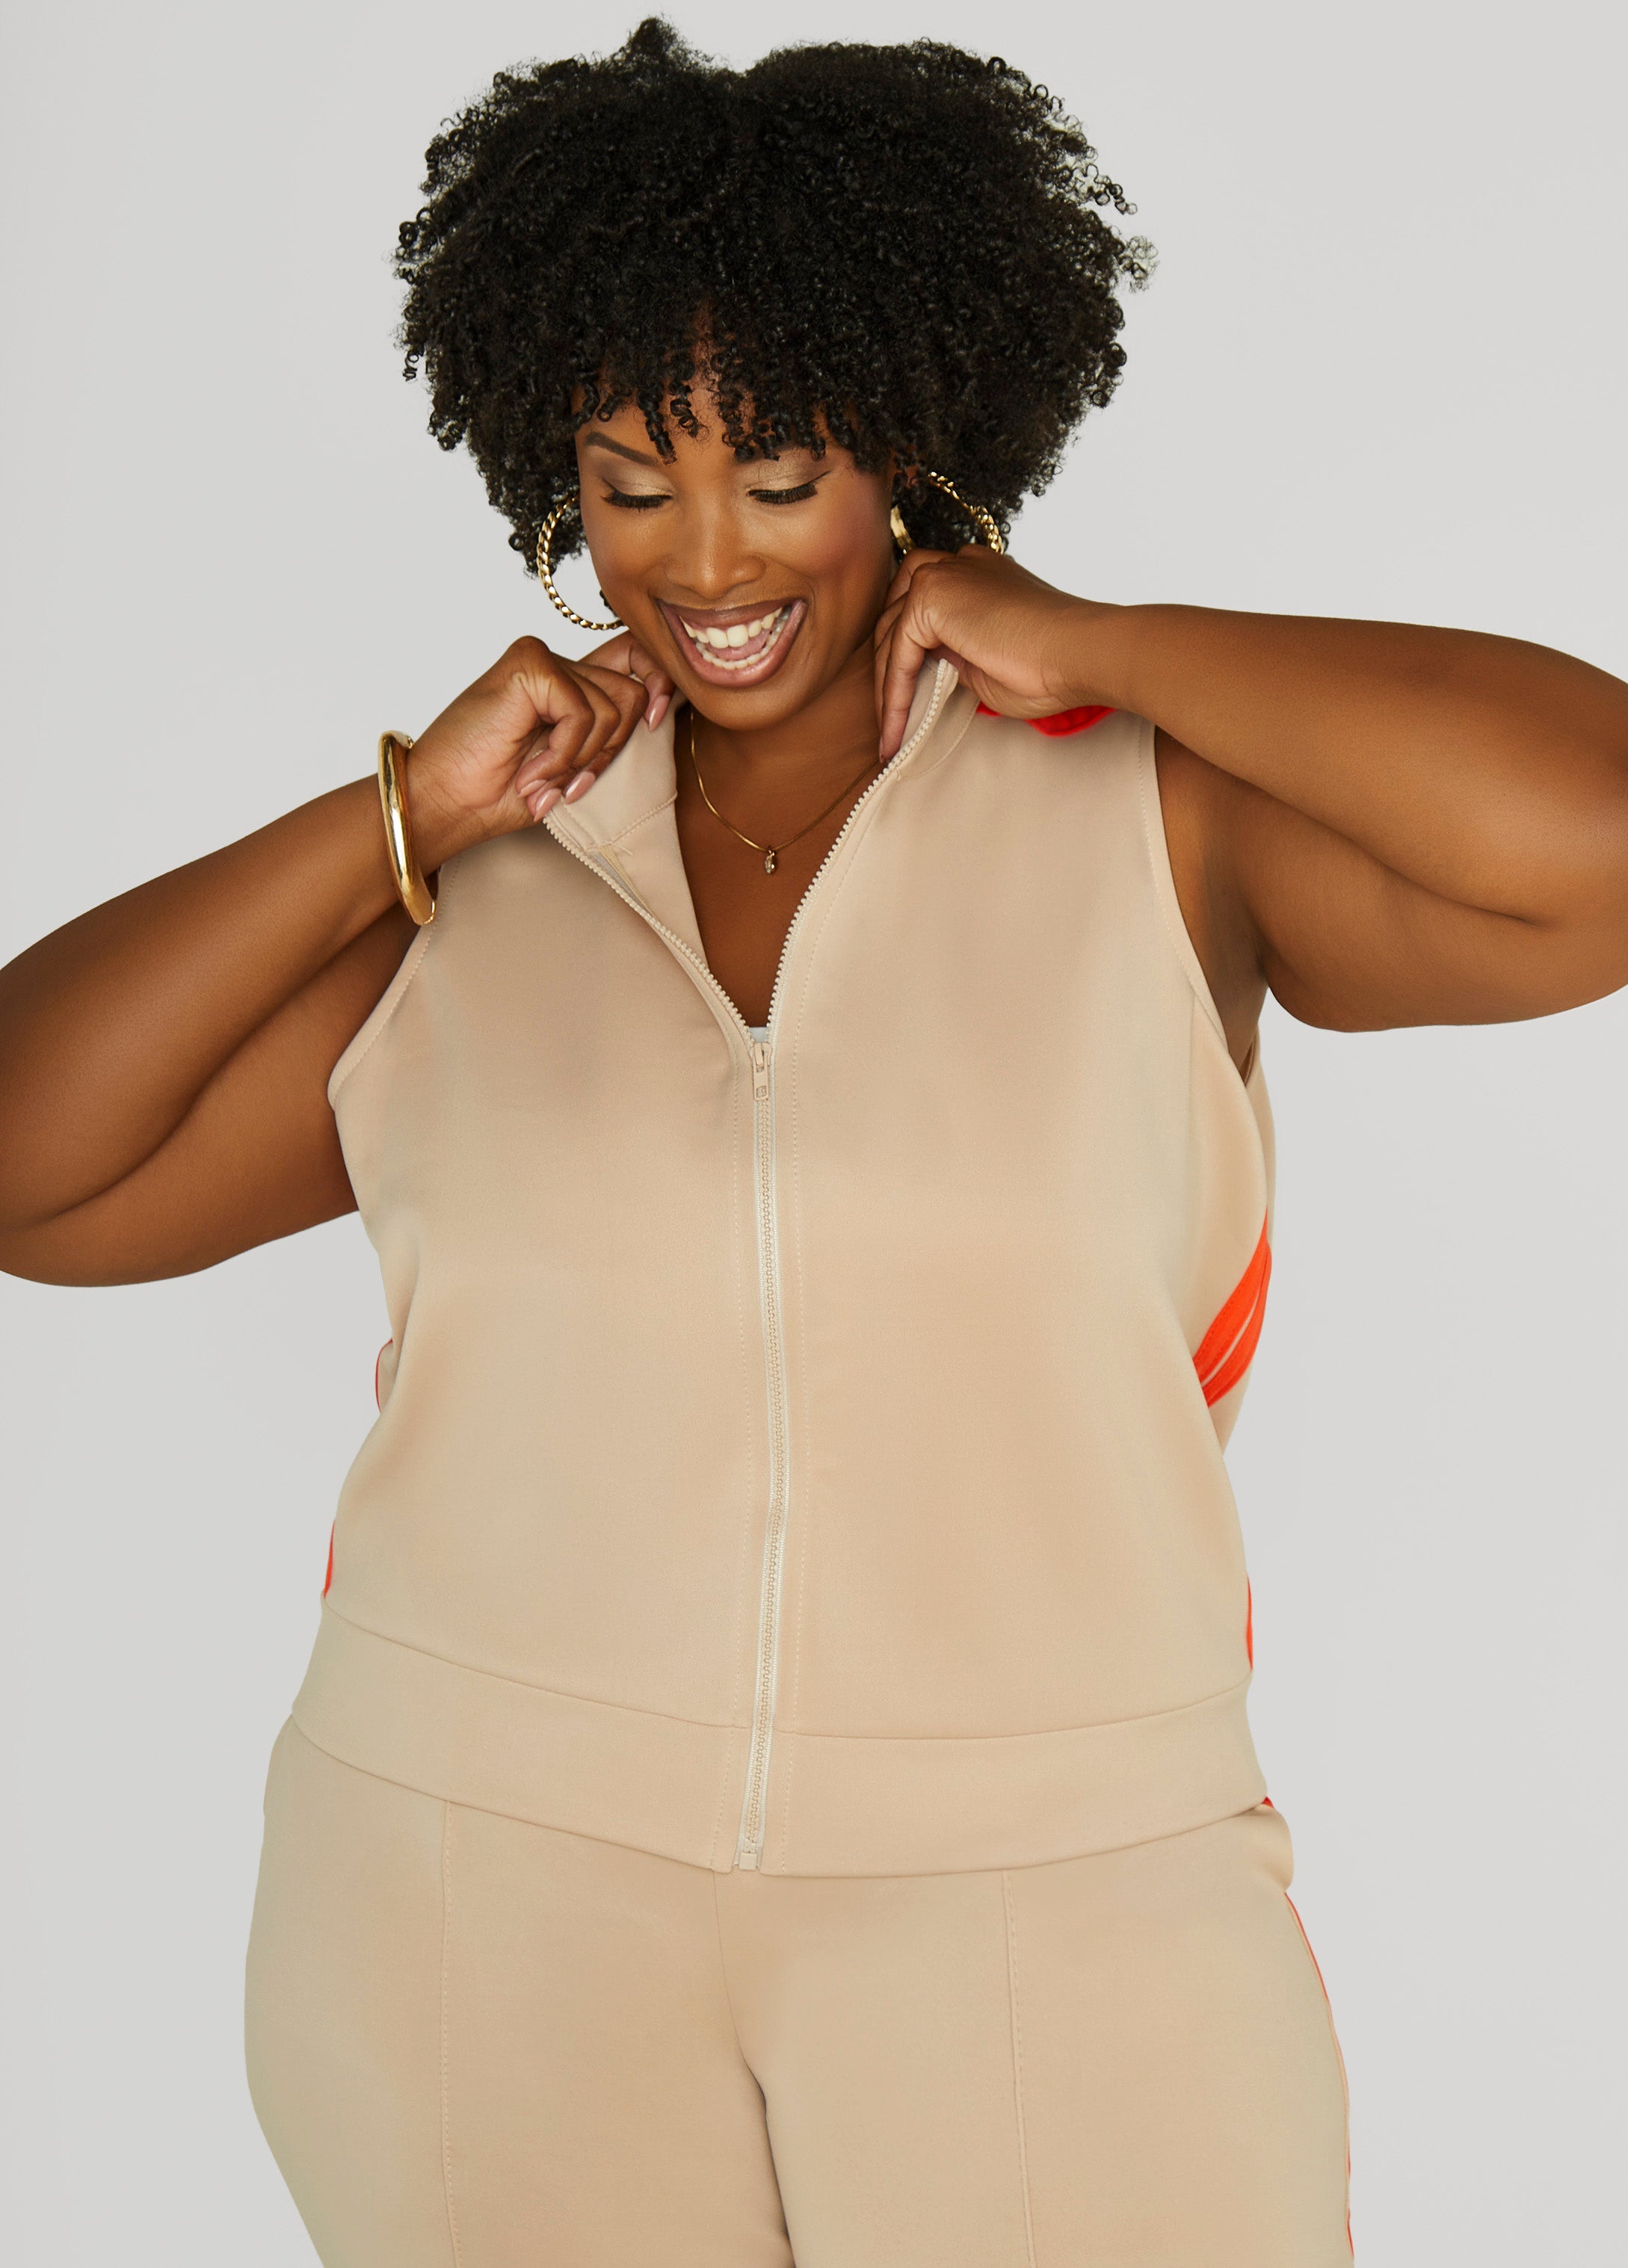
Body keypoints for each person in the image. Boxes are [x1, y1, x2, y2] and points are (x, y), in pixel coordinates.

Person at [2, 19, 1624, 2265]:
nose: (704, 556)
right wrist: (403, 806)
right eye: (629, 480)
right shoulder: (478, 881)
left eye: (778, 474)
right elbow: (36, 1170)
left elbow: (1594, 837)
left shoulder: (1153, 812)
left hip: (1062, 1898)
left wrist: (1103, 639)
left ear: (905, 446)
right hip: (475, 1889)